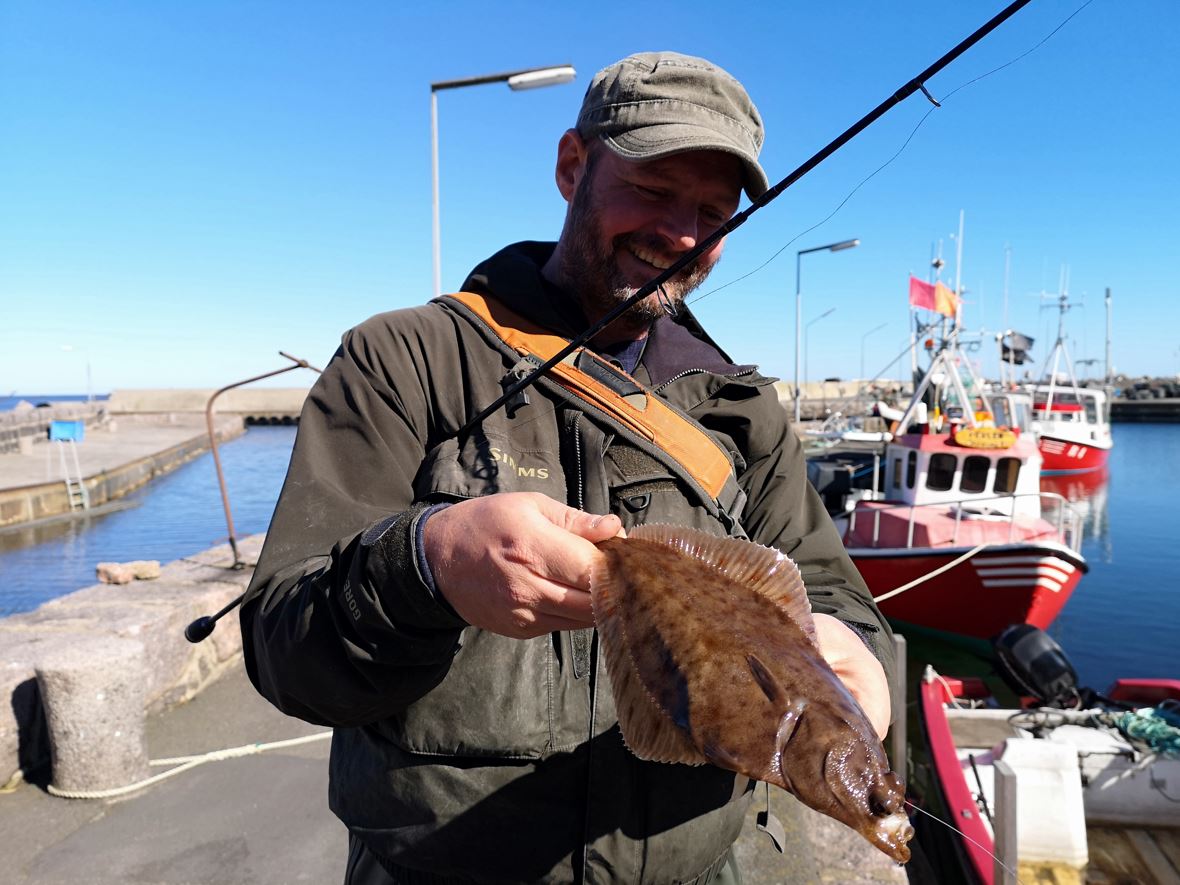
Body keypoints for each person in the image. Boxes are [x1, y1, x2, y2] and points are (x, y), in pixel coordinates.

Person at [241, 51, 895, 885]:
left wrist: (855, 666)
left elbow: (839, 598)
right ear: (571, 166)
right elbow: (280, 645)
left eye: (713, 211)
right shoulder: (403, 361)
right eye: (654, 191)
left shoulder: (744, 412)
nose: (684, 234)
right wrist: (426, 566)